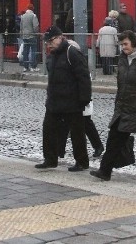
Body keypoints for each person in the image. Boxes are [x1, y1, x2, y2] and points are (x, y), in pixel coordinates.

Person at [90, 30, 136, 182]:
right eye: (121, 44)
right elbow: (120, 84)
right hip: (124, 108)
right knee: (114, 138)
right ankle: (105, 171)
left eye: (126, 44)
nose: (123, 47)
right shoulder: (123, 59)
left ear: (134, 43)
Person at [35, 25, 91, 172]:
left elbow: (83, 77)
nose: (49, 44)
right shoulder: (52, 55)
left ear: (60, 37)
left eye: (51, 41)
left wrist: (84, 99)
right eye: (47, 42)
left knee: (77, 133)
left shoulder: (71, 53)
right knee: (48, 130)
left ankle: (82, 161)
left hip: (72, 101)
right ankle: (50, 159)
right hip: (54, 101)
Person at [20, 4, 40, 72]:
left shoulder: (23, 16)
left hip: (24, 36)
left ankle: (25, 67)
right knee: (33, 51)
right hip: (32, 36)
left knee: (25, 52)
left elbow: (21, 27)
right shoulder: (33, 15)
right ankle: (33, 67)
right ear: (32, 9)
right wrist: (36, 33)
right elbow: (35, 27)